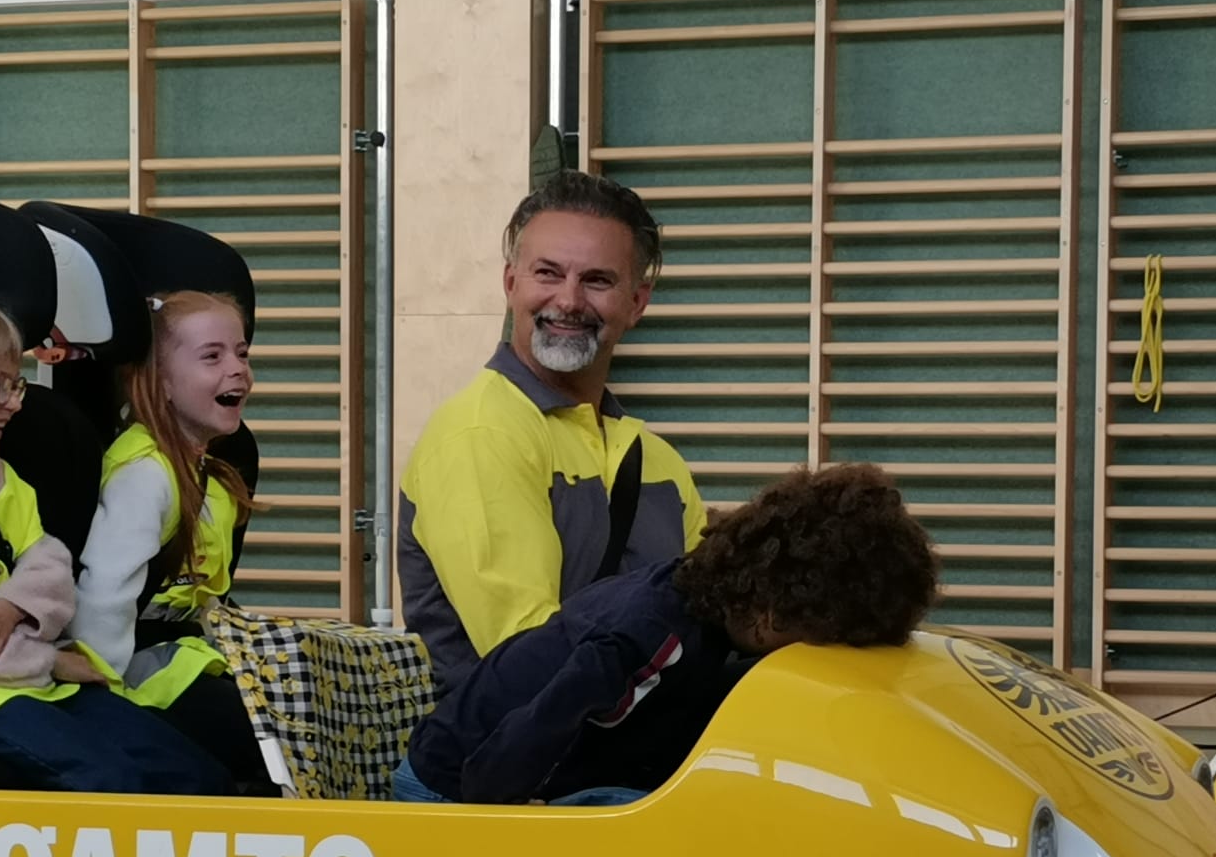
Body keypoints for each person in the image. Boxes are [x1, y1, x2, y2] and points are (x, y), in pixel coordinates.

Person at [0, 294, 237, 796]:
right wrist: (49, 660)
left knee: (196, 778)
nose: (13, 402)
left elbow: (51, 563)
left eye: (16, 385)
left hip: (18, 678)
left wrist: (13, 605)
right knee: (113, 782)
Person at [393, 463, 939, 806]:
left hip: (515, 767)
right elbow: (525, 739)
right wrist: (502, 809)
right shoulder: (649, 634)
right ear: (773, 618)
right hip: (453, 785)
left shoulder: (704, 604)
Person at [397, 171, 706, 693]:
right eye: (548, 273)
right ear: (510, 283)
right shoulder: (481, 433)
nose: (568, 300)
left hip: (644, 729)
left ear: (637, 302)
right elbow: (530, 657)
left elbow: (716, 615)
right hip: (511, 742)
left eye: (597, 280)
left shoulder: (658, 461)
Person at [72, 289, 278, 794]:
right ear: (161, 382)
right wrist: (104, 697)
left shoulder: (212, 475)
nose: (238, 369)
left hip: (186, 653)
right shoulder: (145, 475)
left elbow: (207, 600)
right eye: (212, 356)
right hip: (133, 669)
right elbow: (104, 594)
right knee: (268, 739)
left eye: (242, 353)